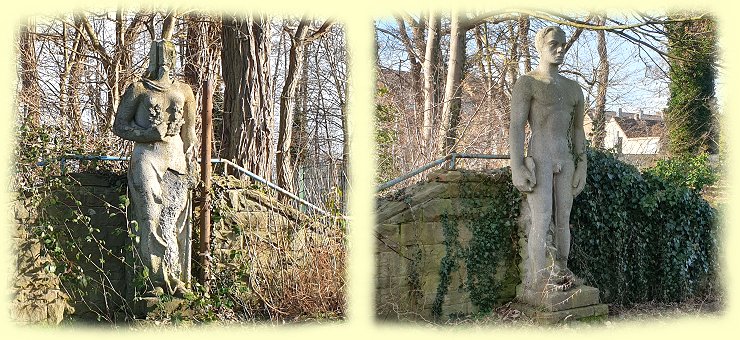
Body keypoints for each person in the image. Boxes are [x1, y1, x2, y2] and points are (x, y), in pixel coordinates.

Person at [113, 40, 197, 297]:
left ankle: (176, 278)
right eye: (159, 55)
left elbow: (190, 133)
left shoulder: (185, 90)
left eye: (169, 56)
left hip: (175, 159)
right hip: (147, 157)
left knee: (173, 218)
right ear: (151, 57)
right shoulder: (138, 89)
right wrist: (146, 133)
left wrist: (191, 164)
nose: (164, 60)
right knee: (150, 215)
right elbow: (119, 126)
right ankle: (155, 281)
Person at [509, 26, 586, 293]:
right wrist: (517, 166)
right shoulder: (527, 83)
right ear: (540, 46)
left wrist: (582, 166)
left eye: (563, 44)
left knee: (564, 219)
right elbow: (517, 127)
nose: (560, 48)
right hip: (539, 159)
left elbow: (578, 131)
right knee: (541, 218)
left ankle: (562, 270)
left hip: (565, 159)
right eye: (554, 44)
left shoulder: (574, 89)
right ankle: (538, 277)